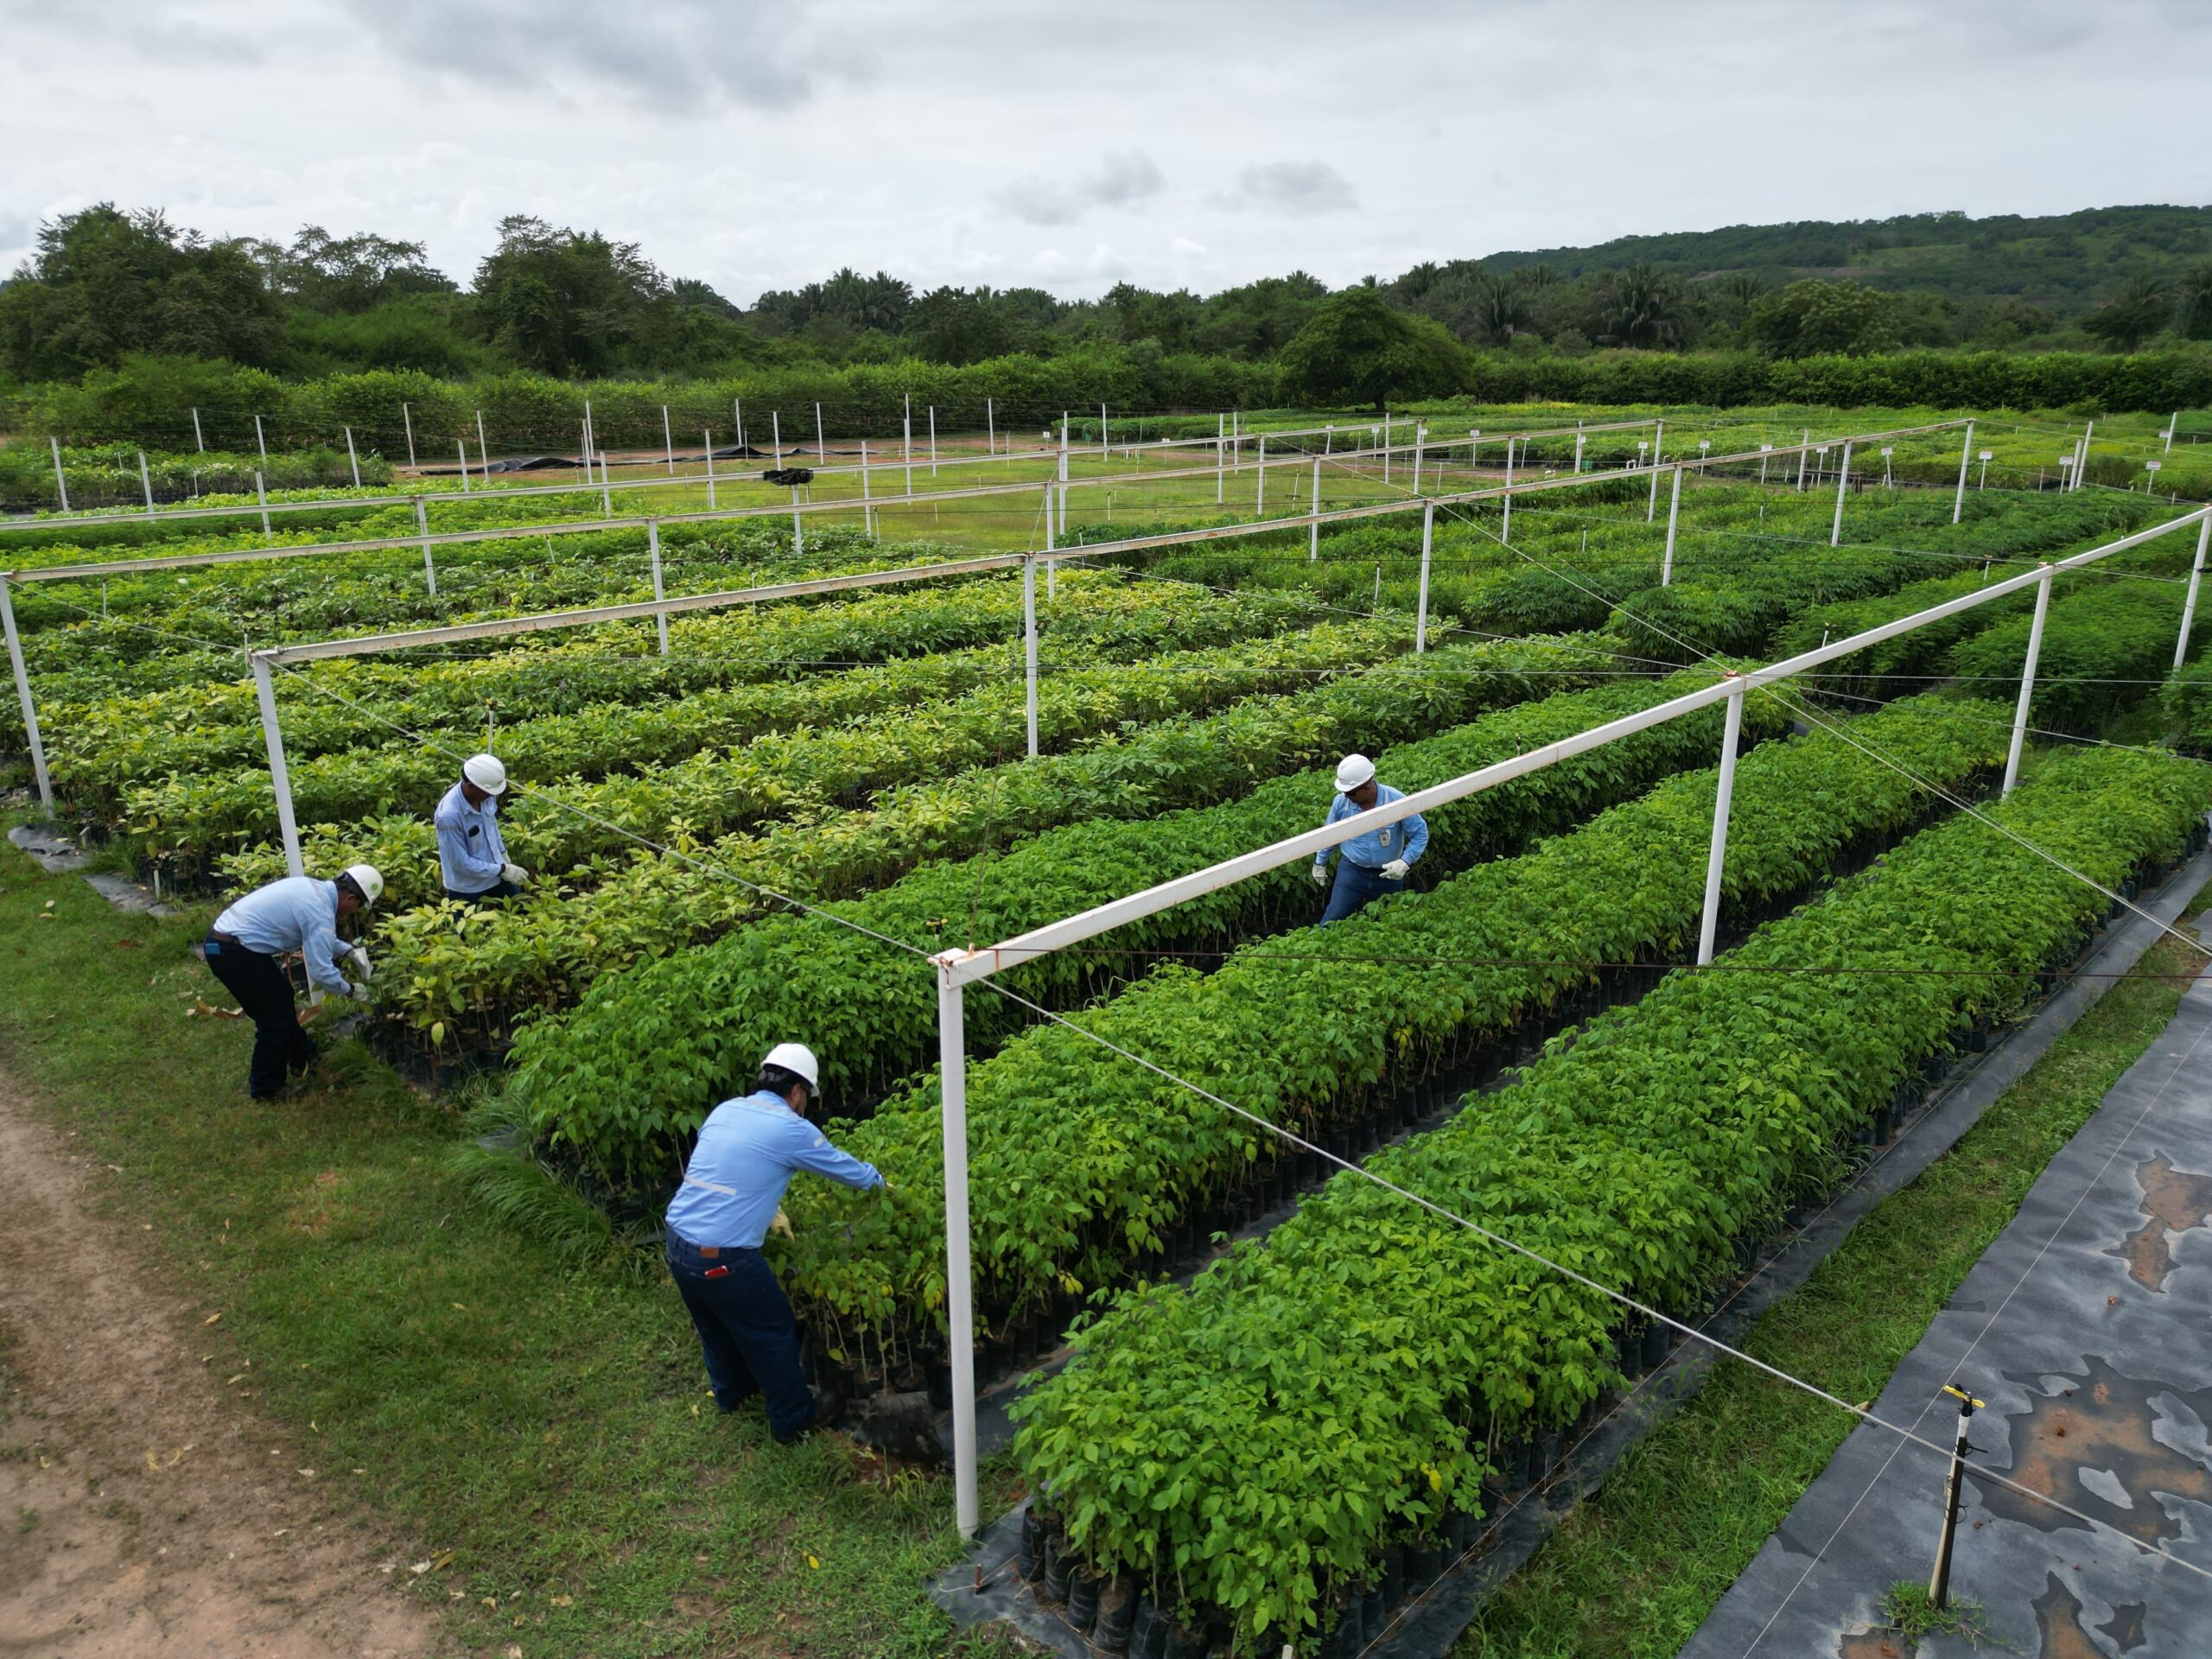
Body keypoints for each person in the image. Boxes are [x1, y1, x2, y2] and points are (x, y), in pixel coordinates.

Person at [664, 1043, 887, 1444]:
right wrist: (882, 1183)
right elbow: (846, 1170)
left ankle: (732, 1394)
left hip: (677, 1243)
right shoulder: (791, 1127)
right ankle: (793, 1418)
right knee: (773, 1329)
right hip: (722, 1257)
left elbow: (730, 1168)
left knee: (715, 1325)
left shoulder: (727, 1109)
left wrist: (768, 1210)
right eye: (807, 1098)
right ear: (798, 1091)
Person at [200, 865, 383, 1099]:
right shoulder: (319, 910)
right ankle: (266, 1089)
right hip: (232, 952)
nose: (353, 912)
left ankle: (303, 1057)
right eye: (358, 907)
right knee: (274, 1020)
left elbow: (319, 937)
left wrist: (349, 951)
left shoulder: (313, 890)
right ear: (350, 898)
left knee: (282, 999)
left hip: (232, 943)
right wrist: (351, 991)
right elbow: (321, 972)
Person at [1311, 753, 1428, 925]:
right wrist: (1320, 862)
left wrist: (1405, 861)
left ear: (1366, 788)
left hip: (1388, 874)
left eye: (1350, 793)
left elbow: (1420, 833)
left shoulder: (1395, 800)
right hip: (1352, 872)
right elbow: (1330, 834)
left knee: (1389, 922)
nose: (1346, 796)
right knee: (1332, 919)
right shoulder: (1341, 803)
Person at [435, 753, 529, 904]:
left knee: (519, 909)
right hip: (467, 887)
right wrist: (503, 870)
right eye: (488, 792)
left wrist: (503, 854)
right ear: (471, 786)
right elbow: (460, 862)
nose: (491, 796)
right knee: (465, 926)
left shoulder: (485, 795)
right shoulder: (449, 816)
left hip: (496, 874)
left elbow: (492, 826)